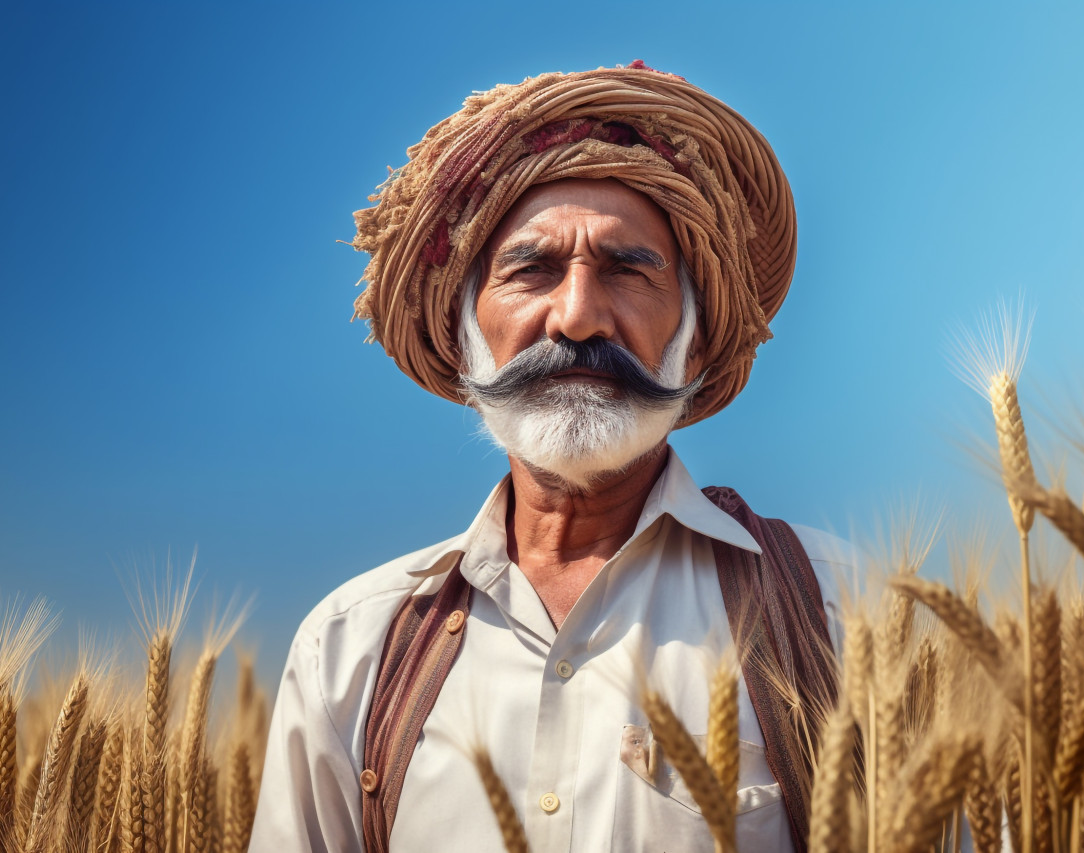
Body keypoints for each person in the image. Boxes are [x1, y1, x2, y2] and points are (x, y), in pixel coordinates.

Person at [250, 62, 853, 853]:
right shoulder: (349, 647)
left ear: (694, 334)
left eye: (628, 270)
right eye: (530, 269)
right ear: (463, 329)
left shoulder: (838, 609)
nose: (576, 317)